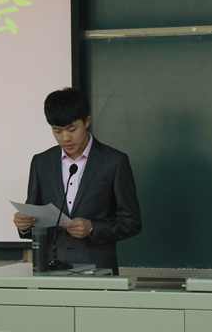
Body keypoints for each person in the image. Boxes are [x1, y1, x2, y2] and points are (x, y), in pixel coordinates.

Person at [13, 87, 141, 274]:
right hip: (49, 270)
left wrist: (93, 228)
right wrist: (25, 225)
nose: (65, 138)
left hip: (98, 271)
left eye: (72, 129)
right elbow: (34, 215)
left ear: (87, 121)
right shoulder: (41, 162)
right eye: (57, 131)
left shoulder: (114, 162)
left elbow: (132, 222)